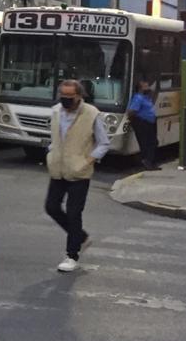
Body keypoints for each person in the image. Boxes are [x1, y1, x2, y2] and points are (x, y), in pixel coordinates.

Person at [44, 79, 110, 273]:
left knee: (74, 212)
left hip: (79, 171)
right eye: (62, 96)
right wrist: (52, 152)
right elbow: (54, 137)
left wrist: (88, 160)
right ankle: (80, 236)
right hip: (57, 168)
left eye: (69, 97)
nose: (65, 100)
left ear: (79, 96)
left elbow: (104, 143)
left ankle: (72, 255)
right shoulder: (56, 111)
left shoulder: (91, 114)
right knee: (51, 207)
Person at [126, 78, 159, 171]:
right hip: (142, 122)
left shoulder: (146, 97)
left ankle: (149, 161)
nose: (148, 87)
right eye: (146, 86)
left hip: (150, 122)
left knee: (153, 142)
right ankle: (147, 161)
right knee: (147, 143)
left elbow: (154, 92)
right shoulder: (138, 98)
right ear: (140, 89)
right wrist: (135, 120)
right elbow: (131, 111)